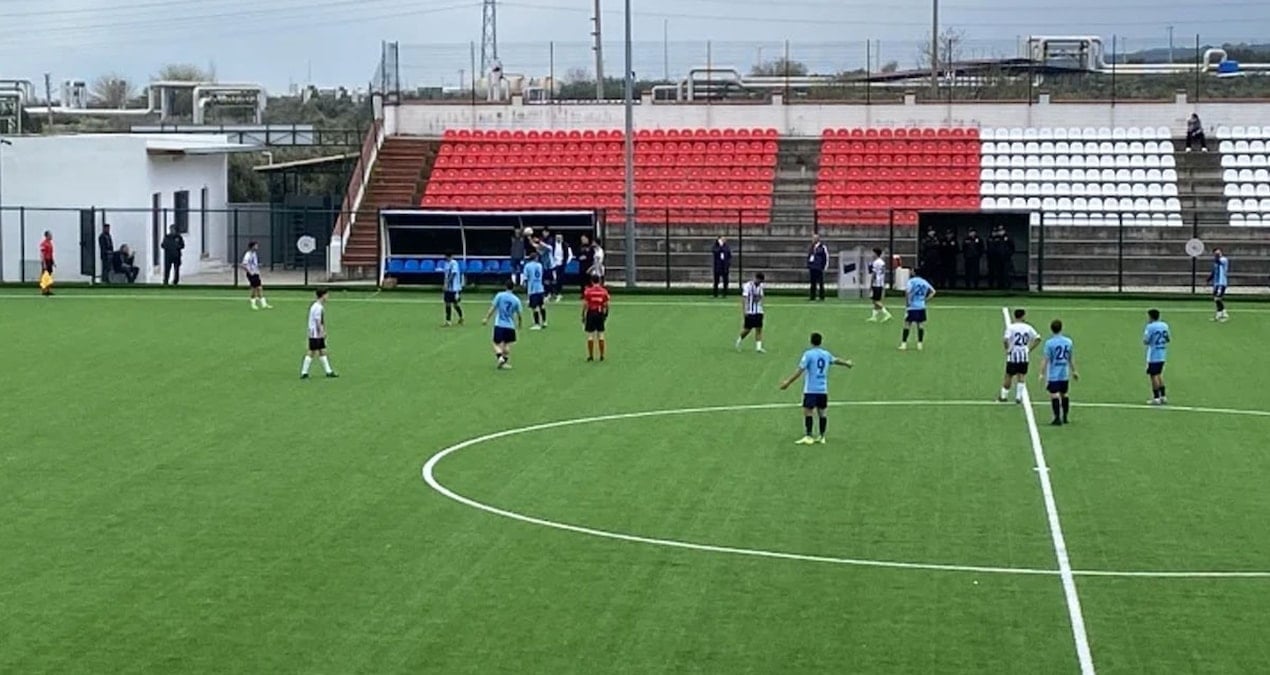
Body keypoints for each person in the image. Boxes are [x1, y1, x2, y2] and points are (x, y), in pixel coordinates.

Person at [778, 332, 853, 445]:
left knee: (808, 411)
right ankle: (822, 436)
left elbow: (800, 370)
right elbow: (836, 360)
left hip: (811, 389)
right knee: (822, 412)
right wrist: (847, 363)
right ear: (821, 341)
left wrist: (787, 382)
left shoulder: (808, 354)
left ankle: (809, 436)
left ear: (811, 341)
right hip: (823, 389)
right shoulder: (826, 354)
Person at [1039, 319, 1078, 426]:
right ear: (1061, 328)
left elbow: (1046, 359)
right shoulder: (1068, 341)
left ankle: (1057, 418)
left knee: (1054, 395)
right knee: (1064, 394)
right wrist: (1074, 371)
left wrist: (1041, 373)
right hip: (1064, 373)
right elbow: (1070, 358)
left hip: (1054, 374)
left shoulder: (1049, 343)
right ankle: (1065, 416)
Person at [1000, 308, 1041, 403]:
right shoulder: (1028, 327)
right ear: (1023, 316)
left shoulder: (1011, 327)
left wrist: (1007, 349)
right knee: (1021, 376)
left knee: (1008, 376)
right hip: (1024, 355)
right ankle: (1018, 397)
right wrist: (1029, 349)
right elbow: (1038, 338)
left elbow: (1005, 340)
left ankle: (1003, 396)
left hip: (1013, 355)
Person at [482, 280, 523, 370]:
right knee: (507, 344)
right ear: (513, 288)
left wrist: (486, 318)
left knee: (495, 343)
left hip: (499, 324)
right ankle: (504, 363)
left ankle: (500, 357)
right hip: (510, 325)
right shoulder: (516, 300)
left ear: (505, 286)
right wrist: (520, 324)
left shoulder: (500, 295)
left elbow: (493, 308)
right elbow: (519, 314)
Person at [300, 288, 339, 379]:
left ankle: (328, 371)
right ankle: (304, 372)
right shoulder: (317, 307)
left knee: (322, 351)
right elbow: (318, 321)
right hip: (315, 333)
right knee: (312, 351)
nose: (328, 297)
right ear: (323, 295)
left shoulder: (316, 306)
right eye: (327, 295)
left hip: (315, 332)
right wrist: (322, 332)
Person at [898, 270, 936, 351]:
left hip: (912, 307)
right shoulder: (924, 282)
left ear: (914, 273)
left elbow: (907, 292)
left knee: (907, 324)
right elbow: (933, 292)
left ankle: (904, 344)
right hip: (921, 306)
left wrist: (907, 302)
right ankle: (920, 344)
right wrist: (925, 300)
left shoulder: (911, 281)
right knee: (920, 325)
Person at [1144, 309, 1171, 406]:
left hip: (1153, 355)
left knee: (1153, 375)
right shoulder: (1165, 325)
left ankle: (1156, 398)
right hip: (1162, 353)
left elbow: (1146, 341)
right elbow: (1168, 339)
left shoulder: (1150, 327)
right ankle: (1163, 396)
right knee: (1159, 374)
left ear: (1151, 317)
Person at [582, 274, 610, 362]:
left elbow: (585, 304)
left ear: (591, 281)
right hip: (599, 312)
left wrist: (583, 315)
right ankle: (601, 355)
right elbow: (606, 305)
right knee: (601, 334)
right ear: (599, 281)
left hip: (591, 313)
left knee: (590, 335)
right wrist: (606, 314)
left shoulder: (588, 291)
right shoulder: (604, 291)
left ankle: (591, 356)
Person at [736, 272, 766, 353]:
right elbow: (744, 298)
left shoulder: (761, 287)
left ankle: (758, 347)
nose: (760, 282)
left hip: (758, 311)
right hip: (750, 311)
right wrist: (744, 310)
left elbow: (761, 297)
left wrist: (762, 307)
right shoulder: (748, 286)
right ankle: (739, 341)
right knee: (747, 329)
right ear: (756, 278)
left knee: (759, 329)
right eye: (759, 280)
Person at [241, 241, 271, 309]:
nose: (257, 247)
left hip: (256, 273)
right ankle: (253, 304)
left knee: (259, 288)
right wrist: (249, 272)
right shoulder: (248, 254)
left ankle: (264, 304)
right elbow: (243, 264)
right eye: (256, 245)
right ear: (252, 246)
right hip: (252, 274)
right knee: (254, 289)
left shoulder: (254, 254)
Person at [866, 248, 892, 323]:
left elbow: (874, 274)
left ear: (876, 254)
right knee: (876, 300)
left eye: (873, 253)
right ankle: (874, 317)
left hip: (876, 283)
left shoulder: (876, 262)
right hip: (880, 282)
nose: (872, 255)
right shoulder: (882, 262)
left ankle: (887, 313)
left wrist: (871, 284)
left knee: (875, 301)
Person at [523, 253, 548, 330]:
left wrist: (526, 288)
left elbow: (526, 278)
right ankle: (544, 321)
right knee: (542, 305)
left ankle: (537, 324)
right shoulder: (540, 265)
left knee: (534, 307)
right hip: (540, 288)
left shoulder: (527, 266)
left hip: (532, 289)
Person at [1207, 248, 1230, 322]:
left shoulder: (1223, 260)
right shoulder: (1215, 263)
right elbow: (1214, 272)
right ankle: (1219, 314)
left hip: (1222, 283)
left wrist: (1217, 257)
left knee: (1218, 298)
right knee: (1216, 299)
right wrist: (1209, 279)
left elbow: (1220, 261)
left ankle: (1224, 314)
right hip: (1216, 283)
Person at [441, 252, 464, 327]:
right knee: (447, 304)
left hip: (454, 288)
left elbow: (453, 274)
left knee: (455, 304)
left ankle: (461, 317)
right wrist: (445, 284)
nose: (446, 258)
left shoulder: (454, 263)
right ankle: (448, 321)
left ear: (450, 256)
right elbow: (446, 275)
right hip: (448, 288)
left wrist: (447, 283)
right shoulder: (446, 264)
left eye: (447, 257)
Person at [806, 233, 829, 301]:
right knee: (813, 283)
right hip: (812, 267)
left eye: (814, 238)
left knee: (821, 283)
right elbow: (809, 256)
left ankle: (822, 296)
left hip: (819, 267)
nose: (812, 240)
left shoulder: (822, 247)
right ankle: (812, 296)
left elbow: (825, 257)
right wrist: (809, 264)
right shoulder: (812, 247)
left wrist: (824, 266)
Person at [39, 231, 55, 296]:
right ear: (47, 236)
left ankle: (48, 290)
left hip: (49, 260)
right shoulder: (43, 244)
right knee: (45, 276)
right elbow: (42, 254)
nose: (51, 236)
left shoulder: (50, 243)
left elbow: (51, 253)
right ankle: (43, 290)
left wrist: (53, 261)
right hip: (45, 260)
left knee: (49, 276)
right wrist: (44, 263)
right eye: (50, 235)